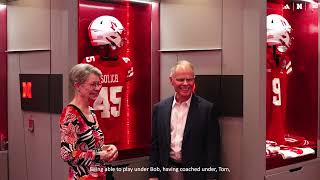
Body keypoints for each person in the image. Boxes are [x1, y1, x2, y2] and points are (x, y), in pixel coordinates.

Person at [149, 60, 220, 180]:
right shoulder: (160, 109)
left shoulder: (206, 109)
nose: (186, 83)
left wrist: (212, 177)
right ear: (171, 80)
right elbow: (155, 145)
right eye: (181, 80)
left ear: (194, 80)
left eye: (189, 79)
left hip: (196, 175)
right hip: (166, 173)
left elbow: (212, 148)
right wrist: (153, 174)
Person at [60, 64, 118, 180]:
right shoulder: (71, 115)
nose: (98, 88)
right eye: (93, 84)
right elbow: (66, 154)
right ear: (78, 86)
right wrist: (98, 155)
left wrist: (109, 149)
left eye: (99, 83)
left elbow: (91, 146)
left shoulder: (91, 111)